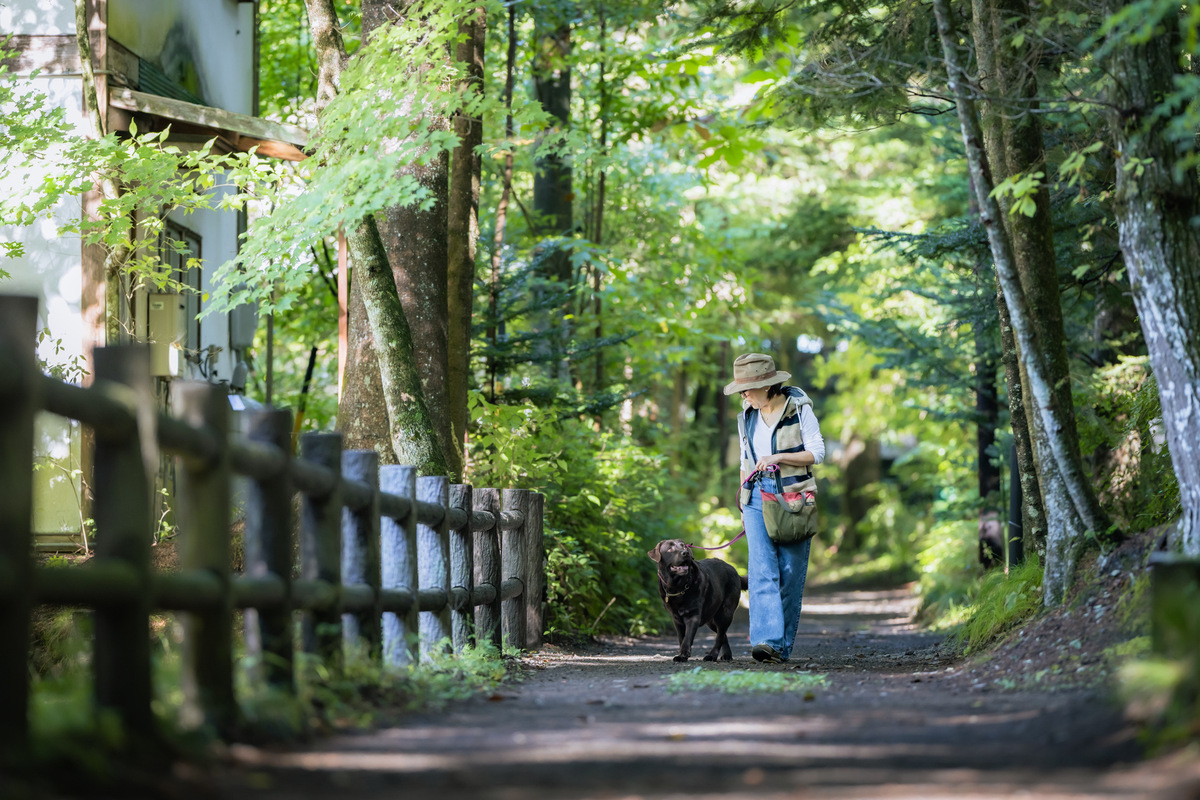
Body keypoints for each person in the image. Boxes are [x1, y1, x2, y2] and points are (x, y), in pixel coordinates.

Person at [724, 352, 825, 664]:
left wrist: (779, 457)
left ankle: (781, 647)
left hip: (793, 496)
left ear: (767, 386)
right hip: (755, 496)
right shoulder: (748, 414)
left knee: (790, 573)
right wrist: (743, 493)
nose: (742, 394)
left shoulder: (798, 408)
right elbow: (746, 457)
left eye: (747, 388)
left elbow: (817, 453)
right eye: (740, 389)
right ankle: (766, 642)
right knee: (761, 570)